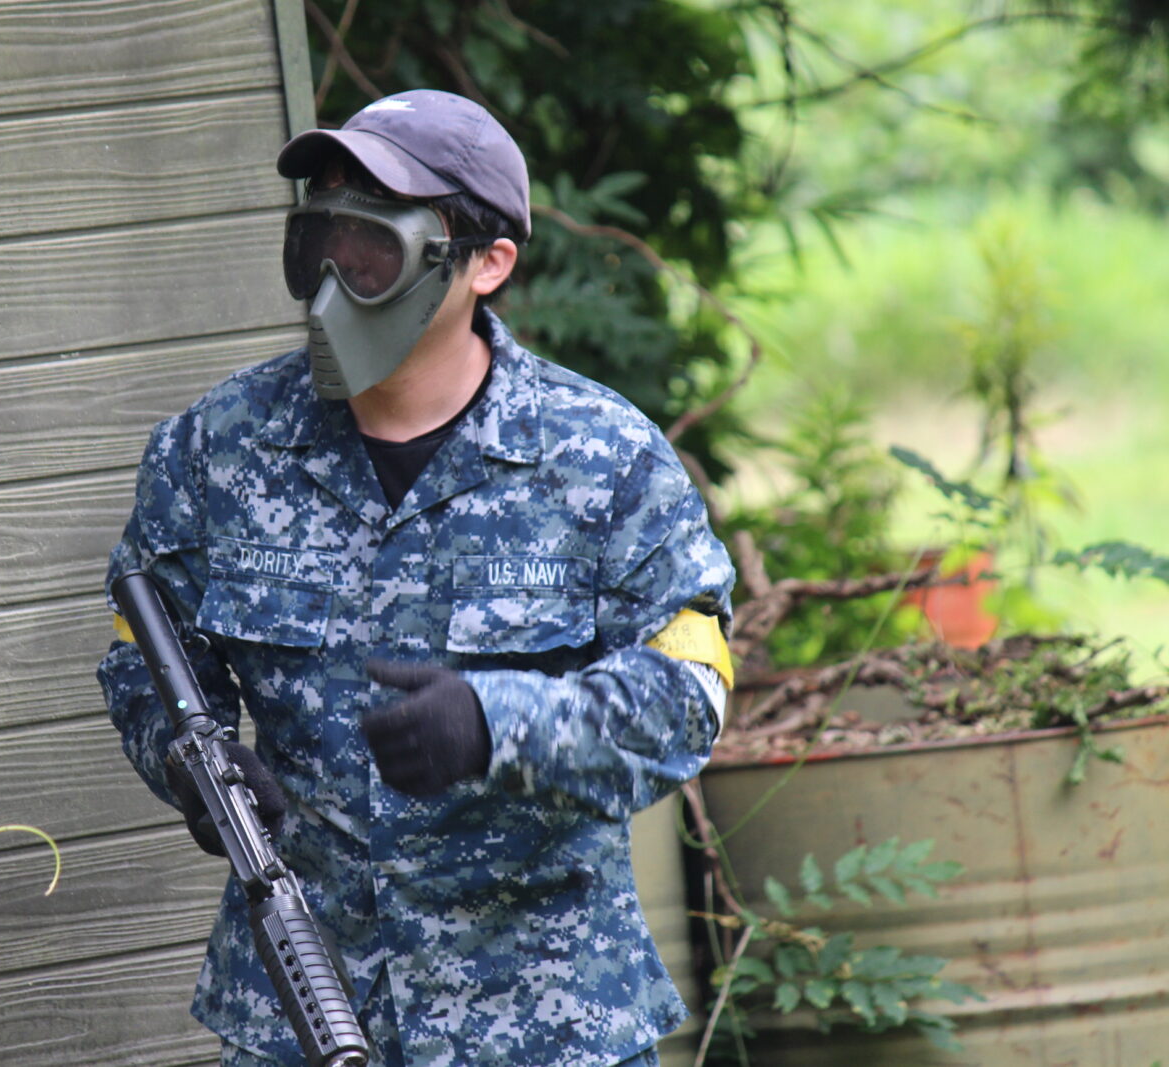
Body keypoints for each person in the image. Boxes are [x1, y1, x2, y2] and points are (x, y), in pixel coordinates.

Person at [98, 89, 736, 1067]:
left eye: (374, 242)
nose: (340, 270)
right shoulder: (215, 449)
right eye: (322, 236)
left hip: (545, 1018)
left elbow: (689, 697)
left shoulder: (604, 459)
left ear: (488, 262)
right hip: (304, 1003)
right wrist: (186, 757)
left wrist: (497, 722)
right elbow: (145, 652)